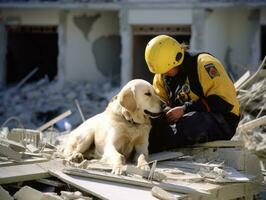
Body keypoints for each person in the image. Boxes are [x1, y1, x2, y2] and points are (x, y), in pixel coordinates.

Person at [145, 35, 240, 153]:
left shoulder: (204, 64)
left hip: (222, 120)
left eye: (167, 70)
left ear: (178, 58)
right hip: (184, 119)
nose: (164, 74)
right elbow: (160, 103)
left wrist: (184, 109)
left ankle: (160, 145)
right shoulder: (161, 74)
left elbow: (224, 103)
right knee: (150, 125)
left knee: (191, 124)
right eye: (161, 72)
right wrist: (166, 110)